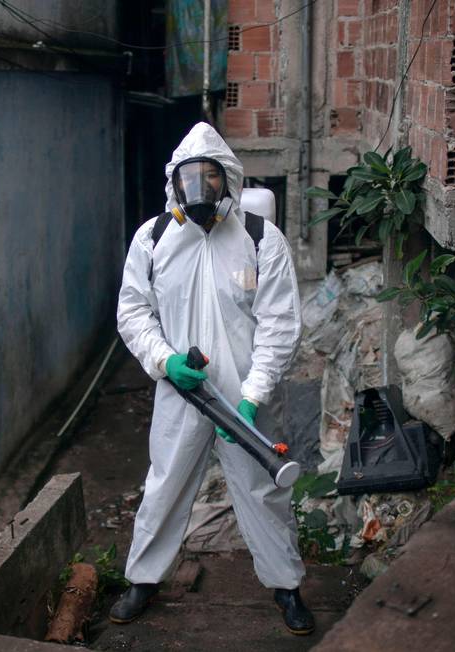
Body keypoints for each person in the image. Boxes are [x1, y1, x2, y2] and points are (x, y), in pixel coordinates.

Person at [112, 122, 312, 635]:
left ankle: (287, 588)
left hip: (246, 396)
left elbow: (280, 325)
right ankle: (143, 580)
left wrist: (252, 396)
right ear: (174, 185)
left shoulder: (259, 238)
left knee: (263, 491)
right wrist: (163, 360)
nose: (201, 189)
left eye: (211, 178)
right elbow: (133, 311)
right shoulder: (153, 238)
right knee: (165, 487)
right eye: (191, 179)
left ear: (230, 182)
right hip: (182, 391)